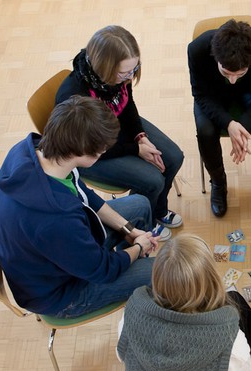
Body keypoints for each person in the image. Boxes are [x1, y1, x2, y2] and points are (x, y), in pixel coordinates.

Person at [0, 96, 158, 318]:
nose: (105, 153)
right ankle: (137, 283)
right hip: (60, 293)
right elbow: (102, 269)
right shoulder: (56, 219)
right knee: (159, 272)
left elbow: (83, 194)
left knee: (140, 204)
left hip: (58, 255)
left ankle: (130, 265)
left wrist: (130, 231)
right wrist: (137, 248)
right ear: (84, 152)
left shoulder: (31, 151)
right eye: (103, 150)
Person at [56, 25, 184, 241]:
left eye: (134, 69)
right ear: (104, 68)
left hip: (115, 128)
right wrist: (136, 149)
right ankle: (145, 224)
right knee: (152, 181)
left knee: (173, 157)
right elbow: (90, 150)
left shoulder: (118, 77)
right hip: (93, 150)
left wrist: (140, 136)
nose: (130, 77)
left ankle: (159, 209)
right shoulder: (75, 96)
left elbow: (126, 104)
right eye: (125, 72)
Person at [117, 234, 251, 371]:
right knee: (237, 301)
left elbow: (121, 354)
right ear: (211, 280)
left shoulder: (129, 316)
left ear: (156, 276)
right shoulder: (230, 340)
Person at [188, 19, 251, 217]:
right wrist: (229, 124)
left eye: (239, 73)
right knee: (205, 131)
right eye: (226, 72)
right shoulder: (197, 49)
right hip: (213, 95)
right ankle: (219, 183)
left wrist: (242, 126)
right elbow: (200, 95)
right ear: (216, 57)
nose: (232, 80)